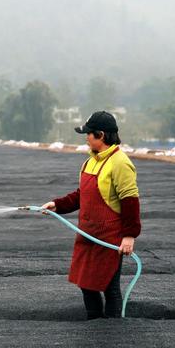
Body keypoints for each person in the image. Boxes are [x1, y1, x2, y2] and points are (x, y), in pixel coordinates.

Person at [42, 111, 141, 319]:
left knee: (109, 287)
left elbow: (130, 201)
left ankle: (112, 330)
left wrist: (129, 236)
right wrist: (57, 205)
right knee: (86, 284)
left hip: (108, 237)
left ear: (101, 135)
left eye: (88, 134)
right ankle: (94, 323)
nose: (86, 138)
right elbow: (82, 196)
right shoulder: (90, 162)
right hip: (87, 235)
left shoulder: (120, 163)